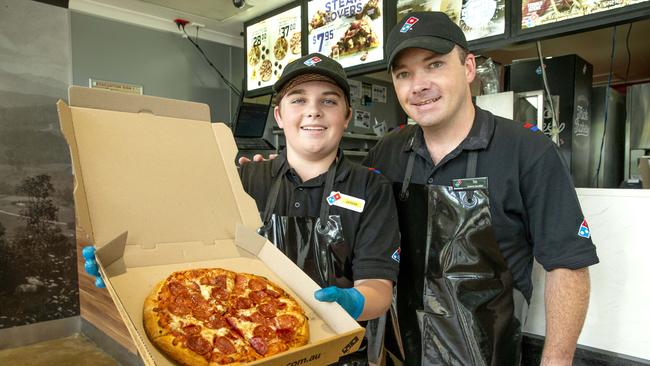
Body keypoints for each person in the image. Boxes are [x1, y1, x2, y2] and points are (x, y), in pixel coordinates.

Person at [360, 11, 599, 366]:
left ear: (469, 67)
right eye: (404, 74)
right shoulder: (387, 151)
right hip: (396, 354)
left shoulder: (527, 151)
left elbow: (568, 266)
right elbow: (351, 224)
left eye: (435, 65)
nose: (418, 85)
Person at [239, 53, 400, 365]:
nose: (313, 111)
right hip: (249, 344)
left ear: (347, 116)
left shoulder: (371, 188)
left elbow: (378, 288)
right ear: (279, 116)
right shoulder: (244, 178)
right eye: (298, 100)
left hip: (338, 352)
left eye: (329, 101)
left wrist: (353, 302)